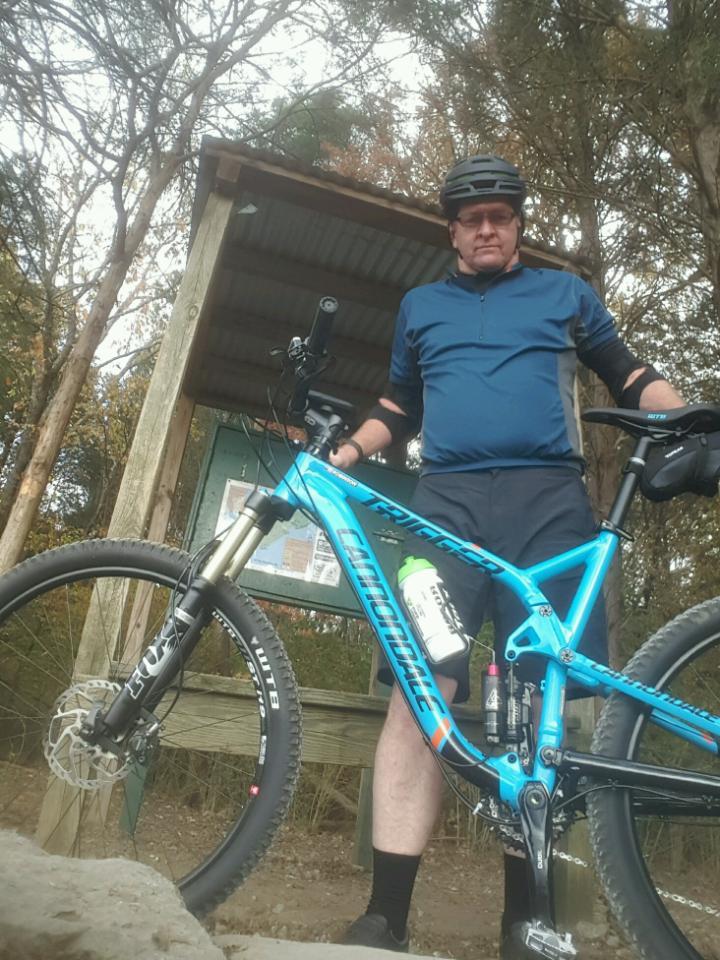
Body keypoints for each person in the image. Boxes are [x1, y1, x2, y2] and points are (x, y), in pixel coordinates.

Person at [330, 155, 684, 957]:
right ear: (452, 230)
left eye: (501, 214)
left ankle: (526, 919)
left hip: (549, 508)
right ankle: (385, 914)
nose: (487, 227)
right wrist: (351, 448)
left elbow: (630, 376)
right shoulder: (420, 305)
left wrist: (697, 417)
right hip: (444, 508)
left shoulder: (565, 294)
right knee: (422, 691)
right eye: (471, 217)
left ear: (518, 223)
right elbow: (398, 402)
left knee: (538, 707)